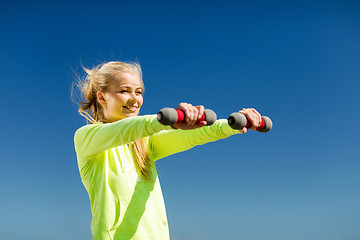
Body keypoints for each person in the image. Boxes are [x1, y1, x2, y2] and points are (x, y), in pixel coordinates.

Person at [73, 61, 262, 240]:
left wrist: (233, 124)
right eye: (124, 91)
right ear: (102, 96)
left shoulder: (145, 144)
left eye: (139, 92)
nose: (134, 99)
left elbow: (195, 135)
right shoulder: (87, 138)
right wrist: (169, 121)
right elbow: (131, 128)